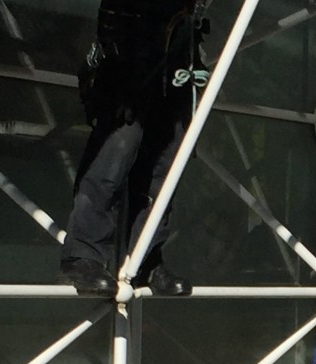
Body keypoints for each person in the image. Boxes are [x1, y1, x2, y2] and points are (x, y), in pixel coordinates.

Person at [58, 0, 209, 297]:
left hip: (178, 40)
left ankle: (146, 257)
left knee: (166, 157)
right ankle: (83, 256)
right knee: (117, 148)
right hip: (130, 40)